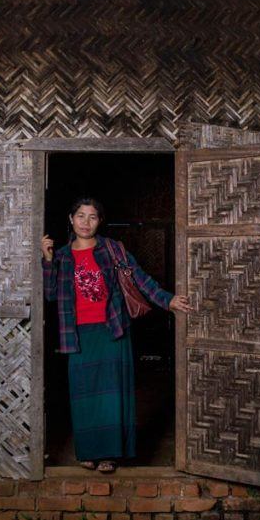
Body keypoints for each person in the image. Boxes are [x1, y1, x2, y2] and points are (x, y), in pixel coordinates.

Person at [41, 197, 193, 473]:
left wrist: (167, 300)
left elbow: (139, 278)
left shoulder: (112, 249)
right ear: (71, 219)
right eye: (81, 216)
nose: (86, 222)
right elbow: (51, 294)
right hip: (77, 333)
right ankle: (88, 451)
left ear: (100, 221)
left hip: (112, 329)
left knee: (112, 395)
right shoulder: (62, 255)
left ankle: (110, 454)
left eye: (93, 217)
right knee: (83, 393)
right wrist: (48, 259)